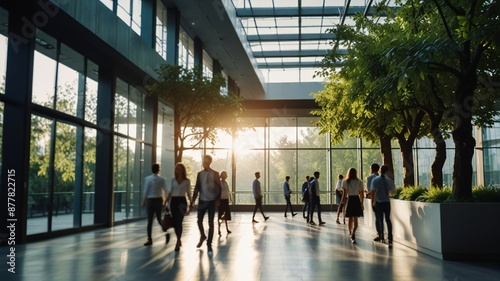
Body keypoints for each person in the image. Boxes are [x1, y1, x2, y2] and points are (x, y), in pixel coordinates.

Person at [190, 155, 221, 253]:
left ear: (209, 162)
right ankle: (203, 235)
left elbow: (219, 187)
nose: (204, 162)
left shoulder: (215, 174)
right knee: (199, 221)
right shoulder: (200, 174)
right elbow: (197, 188)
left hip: (211, 201)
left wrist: (218, 199)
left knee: (211, 223)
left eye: (205, 161)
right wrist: (193, 200)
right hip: (202, 200)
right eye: (203, 161)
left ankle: (209, 244)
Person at [165, 163, 193, 251]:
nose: (178, 170)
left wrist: (191, 204)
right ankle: (179, 239)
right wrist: (165, 202)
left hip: (182, 202)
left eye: (180, 168)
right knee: (175, 222)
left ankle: (177, 241)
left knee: (179, 222)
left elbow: (189, 193)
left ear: (183, 170)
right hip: (173, 201)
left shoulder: (187, 181)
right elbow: (170, 192)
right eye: (177, 168)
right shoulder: (173, 180)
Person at [141, 163, 168, 246]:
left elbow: (146, 191)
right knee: (159, 219)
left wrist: (143, 201)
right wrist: (165, 202)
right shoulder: (162, 179)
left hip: (150, 201)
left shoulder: (147, 179)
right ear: (158, 169)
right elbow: (165, 190)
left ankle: (149, 239)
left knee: (149, 221)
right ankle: (166, 233)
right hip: (158, 201)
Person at [370, 165, 396, 246]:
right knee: (388, 219)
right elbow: (393, 191)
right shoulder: (389, 180)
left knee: (380, 219)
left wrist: (372, 202)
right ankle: (390, 238)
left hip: (378, 202)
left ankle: (381, 236)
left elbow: (373, 192)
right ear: (387, 171)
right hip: (386, 202)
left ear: (380, 170)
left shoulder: (375, 180)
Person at [342, 168, 364, 243]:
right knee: (356, 218)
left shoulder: (346, 182)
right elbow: (361, 193)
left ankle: (350, 232)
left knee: (350, 218)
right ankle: (354, 232)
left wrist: (344, 203)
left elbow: (345, 194)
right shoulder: (359, 182)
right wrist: (361, 202)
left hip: (350, 199)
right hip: (356, 199)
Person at [366, 163, 381, 241]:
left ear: (371, 168)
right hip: (384, 200)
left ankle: (379, 234)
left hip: (375, 200)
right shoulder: (382, 177)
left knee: (378, 218)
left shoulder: (370, 178)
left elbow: (370, 190)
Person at [218, 170, 232, 235]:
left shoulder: (226, 183)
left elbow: (227, 191)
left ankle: (226, 229)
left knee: (226, 215)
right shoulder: (219, 183)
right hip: (221, 200)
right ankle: (219, 229)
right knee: (220, 215)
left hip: (225, 200)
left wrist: (229, 198)